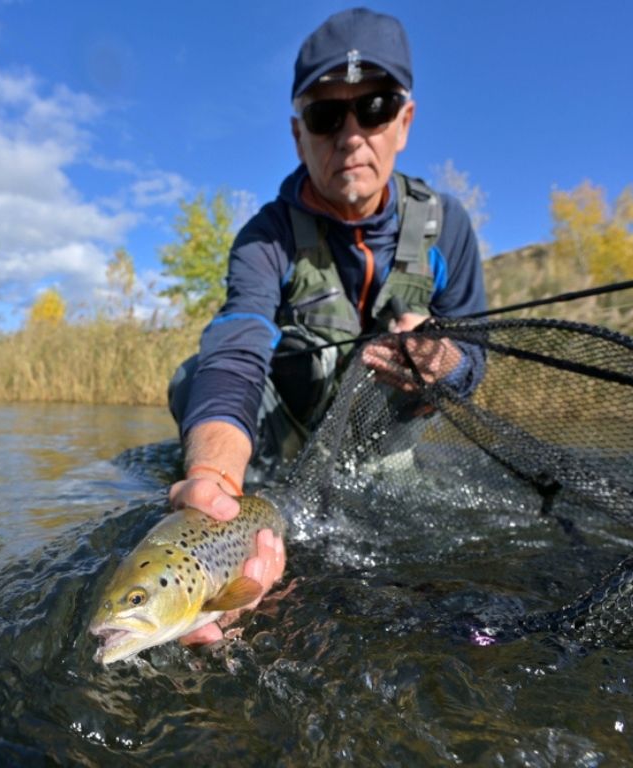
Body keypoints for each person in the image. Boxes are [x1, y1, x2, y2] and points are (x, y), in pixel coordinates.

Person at [166, 7, 486, 644]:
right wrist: (212, 483)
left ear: (404, 121)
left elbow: (476, 360)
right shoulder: (267, 237)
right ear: (297, 133)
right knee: (194, 376)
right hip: (281, 451)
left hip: (383, 458)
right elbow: (237, 344)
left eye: (373, 107)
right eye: (324, 115)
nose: (350, 134)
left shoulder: (447, 226)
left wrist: (445, 362)